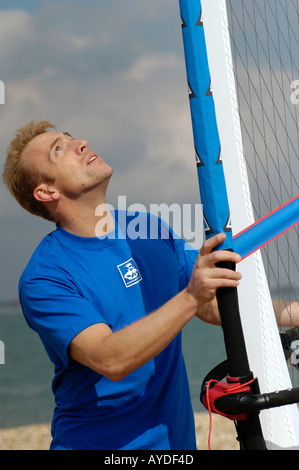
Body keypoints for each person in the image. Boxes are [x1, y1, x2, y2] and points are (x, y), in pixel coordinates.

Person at [2, 119, 244, 450]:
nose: (81, 143)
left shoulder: (147, 227)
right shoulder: (44, 276)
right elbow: (110, 359)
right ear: (47, 192)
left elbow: (214, 304)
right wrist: (190, 296)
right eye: (60, 149)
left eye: (73, 138)